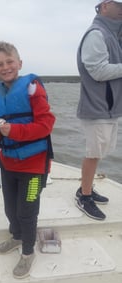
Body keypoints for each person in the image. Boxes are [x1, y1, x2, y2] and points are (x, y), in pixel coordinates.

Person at [0, 41, 55, 279]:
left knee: (27, 211)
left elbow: (46, 125)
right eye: (0, 64)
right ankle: (17, 237)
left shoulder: (32, 89)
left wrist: (14, 131)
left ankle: (28, 253)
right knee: (10, 208)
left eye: (9, 62)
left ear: (19, 63)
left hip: (34, 168)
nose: (5, 67)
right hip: (8, 164)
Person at [75, 0, 122, 220]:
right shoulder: (96, 33)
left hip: (110, 108)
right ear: (105, 6)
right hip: (97, 106)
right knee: (93, 153)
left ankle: (87, 187)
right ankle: (83, 196)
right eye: (120, 5)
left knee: (100, 152)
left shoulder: (112, 34)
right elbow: (98, 71)